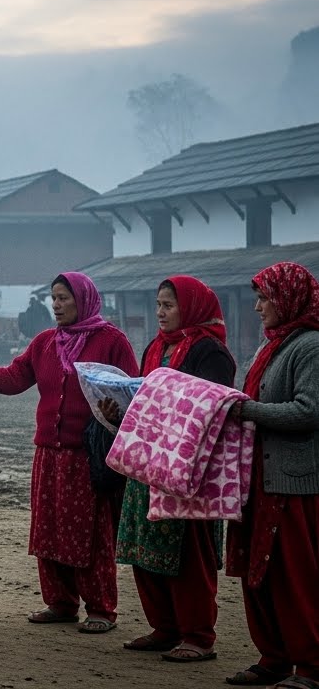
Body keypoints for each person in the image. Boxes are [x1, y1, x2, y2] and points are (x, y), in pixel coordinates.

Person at [0, 271, 137, 633]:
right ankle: (60, 602)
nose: (56, 305)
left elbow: (133, 389)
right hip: (48, 453)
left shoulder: (111, 341)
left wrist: (116, 413)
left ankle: (101, 608)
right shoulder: (44, 343)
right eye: (53, 299)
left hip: (88, 455)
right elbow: (13, 378)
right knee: (50, 530)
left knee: (91, 534)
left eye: (63, 298)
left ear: (83, 300)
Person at [97, 276, 234, 663]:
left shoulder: (210, 352)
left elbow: (212, 407)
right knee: (146, 548)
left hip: (188, 470)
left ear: (190, 307)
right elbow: (144, 402)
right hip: (148, 465)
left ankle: (198, 635)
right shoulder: (155, 348)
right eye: (158, 305)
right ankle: (164, 626)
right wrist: (120, 411)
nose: (160, 312)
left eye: (169, 305)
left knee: (189, 552)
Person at [222, 262, 319, 687]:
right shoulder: (274, 345)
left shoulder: (310, 346)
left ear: (288, 299)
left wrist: (245, 410)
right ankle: (274, 656)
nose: (258, 306)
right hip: (259, 478)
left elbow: (309, 410)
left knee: (295, 577)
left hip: (292, 482)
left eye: (264, 297)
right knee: (259, 573)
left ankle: (311, 665)